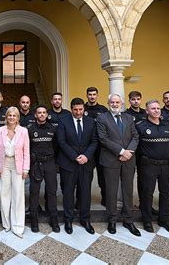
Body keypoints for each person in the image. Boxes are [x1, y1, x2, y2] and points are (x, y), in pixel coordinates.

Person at [97, 94, 140, 237]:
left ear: (121, 103)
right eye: (112, 102)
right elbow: (103, 138)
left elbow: (135, 136)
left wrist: (128, 152)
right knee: (111, 191)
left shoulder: (129, 117)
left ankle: (128, 219)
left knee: (128, 190)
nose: (115, 104)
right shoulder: (102, 118)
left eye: (117, 102)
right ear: (108, 103)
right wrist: (121, 151)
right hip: (111, 159)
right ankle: (112, 219)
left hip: (128, 159)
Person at [57, 98, 98, 235]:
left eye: (81, 109)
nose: (78, 112)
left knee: (85, 192)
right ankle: (68, 219)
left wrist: (86, 156)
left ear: (84, 109)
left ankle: (85, 219)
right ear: (71, 108)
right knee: (68, 192)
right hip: (69, 163)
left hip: (86, 163)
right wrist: (75, 156)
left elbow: (94, 142)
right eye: (75, 109)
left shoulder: (91, 122)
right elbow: (61, 142)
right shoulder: (63, 121)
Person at [135, 100, 169, 234]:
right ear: (146, 111)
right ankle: (147, 219)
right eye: (153, 108)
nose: (156, 110)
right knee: (147, 193)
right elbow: (135, 145)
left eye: (158, 108)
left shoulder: (168, 125)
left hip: (165, 165)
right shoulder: (140, 126)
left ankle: (164, 219)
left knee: (165, 193)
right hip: (148, 165)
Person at [0, 107, 30, 238]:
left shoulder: (23, 131)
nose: (12, 118)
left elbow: (26, 151)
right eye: (10, 115)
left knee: (18, 195)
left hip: (17, 165)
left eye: (14, 116)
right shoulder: (0, 131)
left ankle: (18, 226)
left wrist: (26, 169)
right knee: (4, 194)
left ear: (18, 118)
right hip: (4, 164)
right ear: (6, 117)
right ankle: (7, 224)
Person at [27, 105, 59, 233]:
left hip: (50, 163)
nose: (41, 114)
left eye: (44, 112)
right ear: (35, 115)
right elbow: (26, 147)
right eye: (39, 112)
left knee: (52, 191)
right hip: (36, 164)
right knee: (34, 192)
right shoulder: (29, 129)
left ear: (47, 115)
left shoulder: (53, 128)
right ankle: (34, 219)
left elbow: (57, 146)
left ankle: (53, 218)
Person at [83, 86, 108, 206]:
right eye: (90, 94)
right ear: (86, 96)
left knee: (102, 174)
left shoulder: (103, 109)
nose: (92, 97)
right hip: (86, 147)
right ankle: (82, 200)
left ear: (97, 95)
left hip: (100, 147)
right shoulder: (82, 108)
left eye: (94, 94)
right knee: (85, 176)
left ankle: (105, 198)